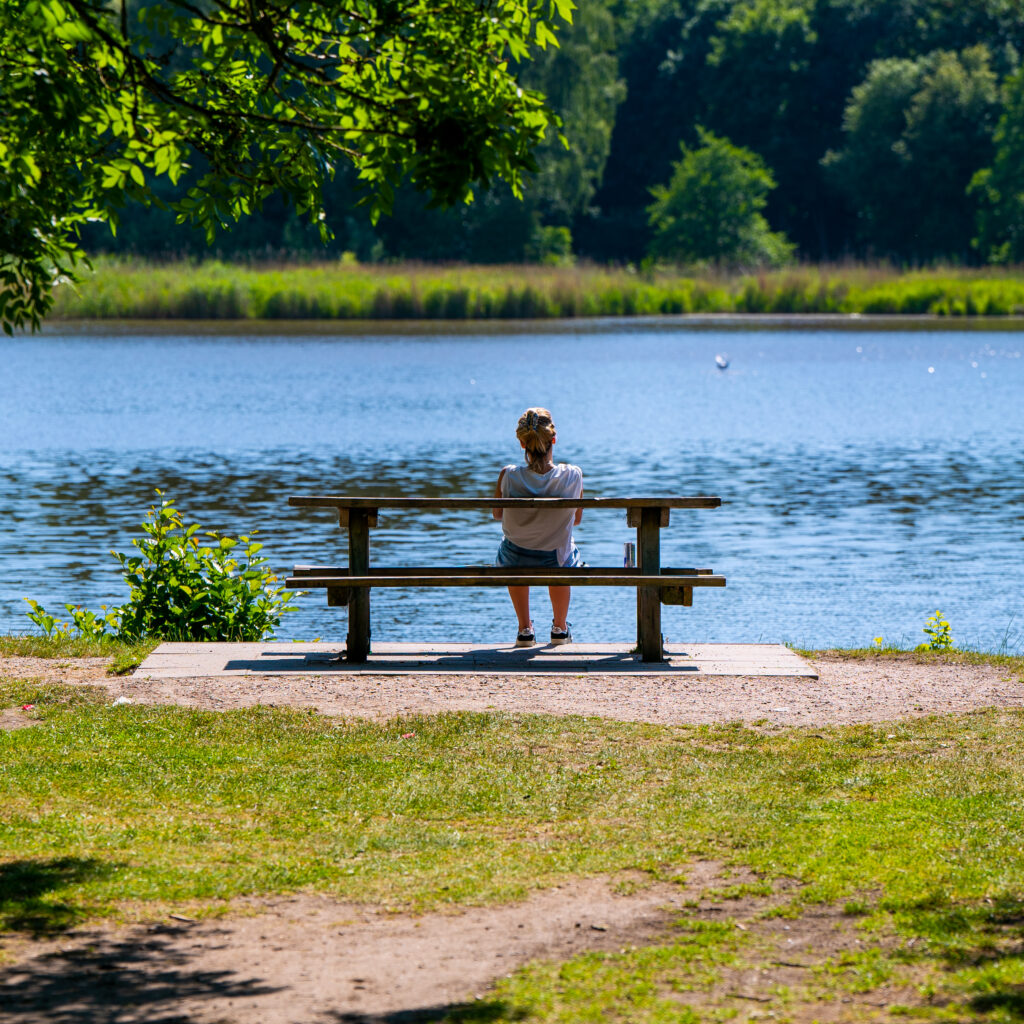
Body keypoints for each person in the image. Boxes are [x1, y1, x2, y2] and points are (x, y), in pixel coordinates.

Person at [493, 407, 583, 646]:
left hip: (516, 557)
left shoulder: (508, 475)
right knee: (565, 550)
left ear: (523, 444)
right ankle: (560, 628)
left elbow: (497, 513)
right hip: (554, 557)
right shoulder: (573, 475)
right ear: (553, 439)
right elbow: (576, 519)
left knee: (511, 549)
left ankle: (525, 629)